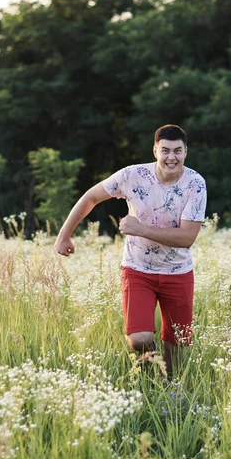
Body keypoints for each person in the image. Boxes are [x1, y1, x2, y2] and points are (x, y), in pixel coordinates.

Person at [55, 124, 207, 376]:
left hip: (177, 271)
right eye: (165, 150)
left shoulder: (195, 184)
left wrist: (141, 229)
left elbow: (187, 237)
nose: (172, 157)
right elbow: (90, 197)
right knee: (138, 339)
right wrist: (64, 236)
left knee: (178, 344)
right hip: (137, 270)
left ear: (186, 152)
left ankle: (170, 387)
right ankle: (151, 373)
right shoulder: (132, 175)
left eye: (177, 151)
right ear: (155, 150)